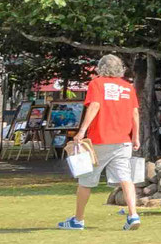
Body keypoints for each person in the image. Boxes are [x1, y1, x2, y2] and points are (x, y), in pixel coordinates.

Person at [58, 55, 143, 232]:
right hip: (123, 141)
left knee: (86, 180)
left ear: (101, 67)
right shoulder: (128, 87)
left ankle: (78, 219)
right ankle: (133, 214)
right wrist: (136, 136)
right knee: (125, 178)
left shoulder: (97, 84)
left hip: (100, 139)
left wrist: (81, 131)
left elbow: (95, 106)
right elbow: (135, 114)